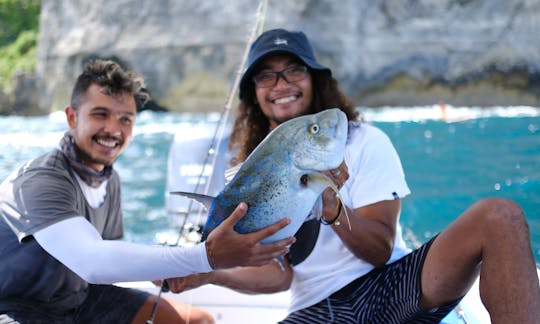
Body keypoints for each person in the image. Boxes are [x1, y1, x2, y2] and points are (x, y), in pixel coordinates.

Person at [163, 28, 540, 323]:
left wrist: (331, 206)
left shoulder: (365, 142)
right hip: (315, 308)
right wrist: (209, 274)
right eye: (266, 76)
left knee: (499, 215)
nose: (281, 84)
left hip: (391, 287)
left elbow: (378, 252)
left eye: (294, 69)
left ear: (316, 79)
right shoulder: (251, 170)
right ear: (254, 94)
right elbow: (277, 277)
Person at [0, 59, 295, 324]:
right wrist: (206, 256)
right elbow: (93, 262)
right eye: (100, 114)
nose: (113, 130)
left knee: (198, 320)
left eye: (125, 119)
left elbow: (107, 266)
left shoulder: (107, 179)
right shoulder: (42, 180)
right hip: (16, 308)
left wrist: (159, 270)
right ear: (72, 117)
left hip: (79, 300)